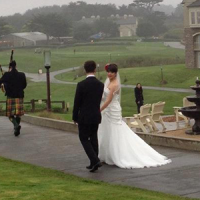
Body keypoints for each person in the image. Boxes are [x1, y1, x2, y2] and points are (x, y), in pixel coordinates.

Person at [98, 63, 171, 169]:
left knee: (116, 130)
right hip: (107, 110)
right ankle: (107, 154)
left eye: (112, 72)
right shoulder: (108, 82)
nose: (109, 74)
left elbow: (109, 100)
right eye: (108, 72)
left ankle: (118, 154)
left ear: (115, 73)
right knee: (107, 130)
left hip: (112, 109)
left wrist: (99, 109)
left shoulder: (115, 84)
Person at [73, 60, 104, 173]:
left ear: (85, 70)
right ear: (95, 69)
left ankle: (95, 160)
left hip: (84, 116)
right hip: (95, 115)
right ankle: (93, 163)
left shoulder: (81, 85)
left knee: (84, 138)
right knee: (93, 138)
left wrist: (75, 116)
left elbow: (77, 102)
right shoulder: (100, 85)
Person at [0, 60, 27, 136]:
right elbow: (24, 85)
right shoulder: (22, 75)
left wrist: (3, 85)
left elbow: (0, 83)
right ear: (16, 66)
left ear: (10, 67)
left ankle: (16, 125)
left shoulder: (6, 75)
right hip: (19, 97)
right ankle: (16, 129)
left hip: (10, 97)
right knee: (18, 114)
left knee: (10, 115)